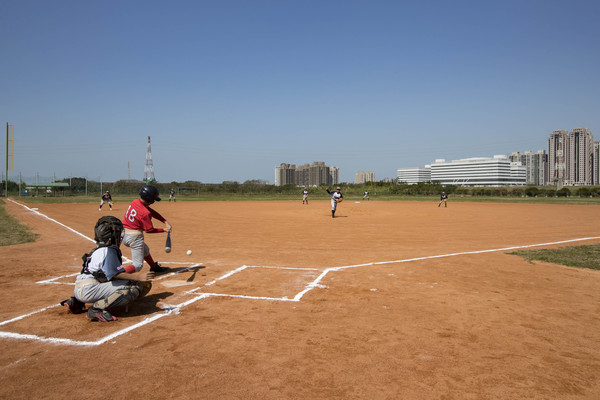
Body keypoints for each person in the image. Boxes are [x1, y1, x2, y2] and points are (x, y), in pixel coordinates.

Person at [61, 216, 154, 322]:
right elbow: (114, 274)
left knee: (120, 282)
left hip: (80, 290)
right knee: (133, 286)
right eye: (118, 233)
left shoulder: (97, 249)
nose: (120, 236)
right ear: (112, 236)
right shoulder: (109, 250)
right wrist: (138, 277)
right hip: (89, 290)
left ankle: (76, 302)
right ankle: (97, 309)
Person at [122, 185, 172, 274]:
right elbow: (149, 230)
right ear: (150, 200)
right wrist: (164, 230)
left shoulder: (136, 201)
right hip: (134, 237)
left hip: (123, 234)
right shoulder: (145, 213)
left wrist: (164, 221)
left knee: (145, 250)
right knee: (137, 265)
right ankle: (117, 275)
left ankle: (154, 267)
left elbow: (151, 211)